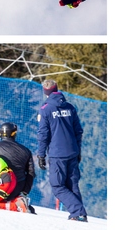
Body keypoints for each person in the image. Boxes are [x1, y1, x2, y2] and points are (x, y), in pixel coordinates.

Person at [37, 79, 87, 222]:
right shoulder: (70, 107)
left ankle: (78, 211)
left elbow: (43, 135)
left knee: (57, 185)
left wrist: (41, 155)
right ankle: (80, 216)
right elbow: (78, 131)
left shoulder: (46, 109)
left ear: (46, 93)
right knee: (72, 184)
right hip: (72, 151)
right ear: (57, 89)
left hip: (57, 154)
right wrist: (78, 150)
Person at [0, 122, 35, 204]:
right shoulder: (26, 151)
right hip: (17, 189)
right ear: (14, 134)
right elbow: (31, 173)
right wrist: (25, 192)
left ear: (0, 133)